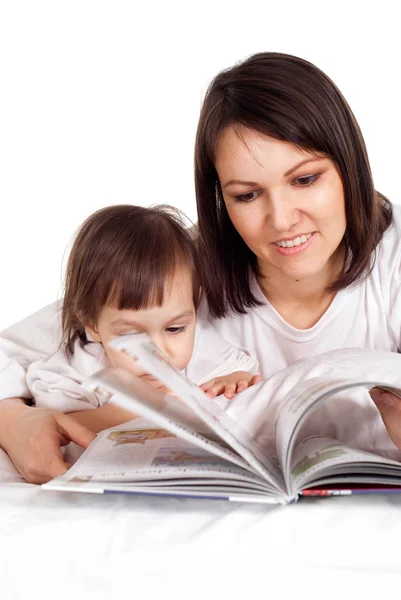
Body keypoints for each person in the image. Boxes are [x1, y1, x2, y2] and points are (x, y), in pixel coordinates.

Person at [1, 51, 401, 482]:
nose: (282, 219)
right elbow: (28, 344)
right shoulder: (179, 269)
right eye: (246, 195)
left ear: (350, 167)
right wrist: (13, 421)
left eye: (305, 180)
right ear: (220, 200)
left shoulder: (391, 265)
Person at [0, 203, 261, 483]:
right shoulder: (75, 371)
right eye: (132, 337)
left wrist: (234, 381)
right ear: (91, 324)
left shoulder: (202, 347)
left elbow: (241, 370)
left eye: (174, 328)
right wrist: (135, 409)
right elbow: (62, 434)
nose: (158, 352)